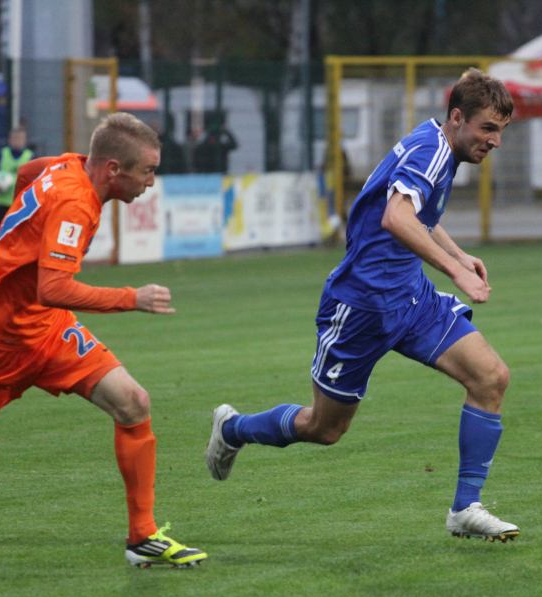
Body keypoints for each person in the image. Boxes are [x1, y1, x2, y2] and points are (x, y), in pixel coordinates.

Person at [204, 68, 520, 542]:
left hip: (411, 300)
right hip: (361, 307)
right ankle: (235, 428)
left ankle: (465, 508)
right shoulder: (432, 152)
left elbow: (418, 212)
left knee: (491, 377)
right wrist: (453, 271)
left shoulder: (434, 140)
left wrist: (457, 254)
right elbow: (397, 217)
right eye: (487, 129)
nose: (494, 141)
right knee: (324, 428)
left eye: (500, 131)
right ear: (457, 118)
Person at [0, 112, 206, 569]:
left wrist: (17, 236)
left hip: (49, 332)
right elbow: (51, 288)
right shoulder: (75, 202)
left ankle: (142, 536)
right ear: (113, 169)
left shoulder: (66, 166)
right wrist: (132, 297)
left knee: (133, 402)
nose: (151, 182)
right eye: (148, 170)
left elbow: (27, 174)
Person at [0, 126, 34, 225]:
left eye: (20, 138)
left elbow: (38, 180)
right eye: (15, 138)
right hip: (4, 205)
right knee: (2, 234)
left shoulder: (30, 157)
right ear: (10, 140)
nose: (17, 141)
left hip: (23, 205)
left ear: (25, 140)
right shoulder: (2, 155)